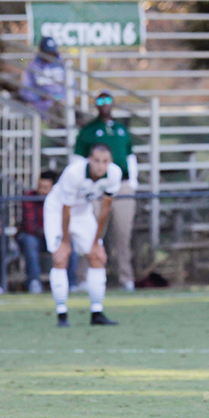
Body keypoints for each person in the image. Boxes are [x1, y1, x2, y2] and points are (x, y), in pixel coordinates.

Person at [44, 144, 121, 327]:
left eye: (105, 161)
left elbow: (105, 209)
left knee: (97, 256)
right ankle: (62, 314)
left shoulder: (114, 174)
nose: (100, 166)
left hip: (83, 213)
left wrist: (95, 242)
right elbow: (65, 209)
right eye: (96, 161)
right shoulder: (74, 173)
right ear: (89, 160)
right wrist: (65, 241)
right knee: (60, 258)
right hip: (57, 211)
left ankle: (97, 312)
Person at [74, 90, 138, 291]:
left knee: (122, 235)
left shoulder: (120, 129)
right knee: (91, 233)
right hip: (98, 187)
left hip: (121, 186)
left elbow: (130, 156)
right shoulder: (88, 130)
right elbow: (78, 160)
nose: (104, 104)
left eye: (108, 100)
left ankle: (125, 278)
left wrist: (133, 183)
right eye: (100, 100)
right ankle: (83, 278)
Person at [16, 170, 78, 294]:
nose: (41, 191)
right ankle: (34, 282)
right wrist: (50, 231)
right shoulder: (30, 196)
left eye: (45, 188)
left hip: (55, 236)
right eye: (40, 187)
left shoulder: (62, 199)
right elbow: (29, 226)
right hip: (36, 236)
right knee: (29, 242)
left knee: (70, 245)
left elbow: (68, 222)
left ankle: (71, 283)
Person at [19, 36, 68, 120]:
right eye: (47, 53)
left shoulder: (62, 65)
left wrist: (61, 97)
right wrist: (39, 96)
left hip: (61, 107)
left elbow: (72, 87)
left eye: (52, 53)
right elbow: (25, 90)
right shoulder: (33, 66)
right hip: (40, 110)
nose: (50, 56)